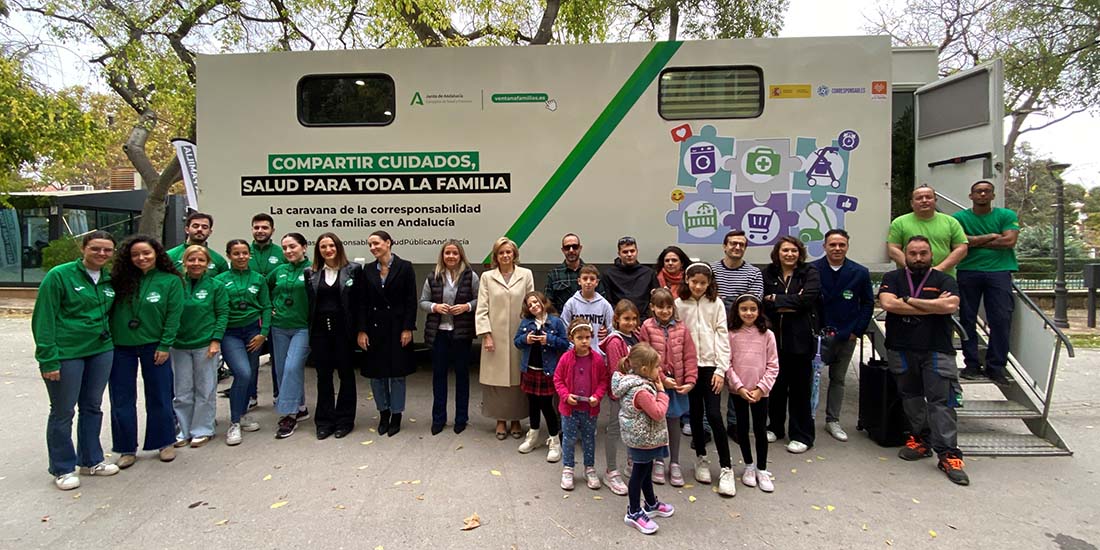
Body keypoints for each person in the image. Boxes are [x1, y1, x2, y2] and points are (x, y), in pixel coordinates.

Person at [32, 230, 121, 490]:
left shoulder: (109, 279)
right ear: (83, 248)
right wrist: (48, 359)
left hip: (101, 350)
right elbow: (43, 319)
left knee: (92, 406)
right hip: (67, 353)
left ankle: (91, 460)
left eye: (107, 250)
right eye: (95, 248)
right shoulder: (59, 276)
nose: (101, 254)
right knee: (63, 411)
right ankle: (62, 468)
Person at [878, 236, 969, 486]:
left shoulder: (944, 279)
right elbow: (888, 304)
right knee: (911, 397)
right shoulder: (892, 279)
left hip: (937, 350)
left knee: (941, 402)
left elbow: (949, 305)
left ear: (931, 255)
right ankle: (920, 440)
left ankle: (949, 454)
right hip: (901, 349)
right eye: (913, 253)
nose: (918, 258)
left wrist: (908, 300)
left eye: (923, 253)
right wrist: (931, 306)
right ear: (904, 255)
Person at [108, 235, 183, 468]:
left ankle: (165, 442)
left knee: (160, 396)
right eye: (135, 254)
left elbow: (173, 316)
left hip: (154, 346)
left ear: (157, 254)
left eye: (146, 253)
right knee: (121, 400)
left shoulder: (170, 281)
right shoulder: (117, 281)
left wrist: (165, 344)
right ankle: (126, 448)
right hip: (121, 347)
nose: (141, 258)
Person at [953, 180, 1020, 387]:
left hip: (999, 273)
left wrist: (975, 241)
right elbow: (960, 242)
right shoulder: (959, 218)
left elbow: (1009, 241)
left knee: (1000, 320)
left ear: (992, 196)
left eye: (986, 191)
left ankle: (996, 367)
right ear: (971, 196)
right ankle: (971, 364)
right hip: (967, 271)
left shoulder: (1006, 215)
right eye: (978, 191)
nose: (982, 194)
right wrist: (992, 236)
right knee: (967, 319)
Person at [676, 262, 735, 495]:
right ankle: (700, 458)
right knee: (695, 414)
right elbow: (677, 336)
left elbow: (722, 335)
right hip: (690, 367)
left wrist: (721, 369)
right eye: (694, 282)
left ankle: (726, 467)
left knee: (713, 414)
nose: (698, 286)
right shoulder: (679, 304)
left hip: (711, 367)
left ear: (709, 283)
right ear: (687, 281)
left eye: (703, 282)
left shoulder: (716, 303)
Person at [811, 229, 874, 442]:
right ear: (824, 246)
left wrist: (857, 331)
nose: (837, 249)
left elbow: (867, 303)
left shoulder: (860, 272)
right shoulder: (812, 269)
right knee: (810, 379)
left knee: (838, 379)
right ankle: (806, 418)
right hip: (817, 336)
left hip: (846, 335)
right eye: (832, 245)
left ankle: (833, 420)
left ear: (847, 246)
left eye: (841, 245)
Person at [762, 236, 820, 454]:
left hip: (801, 341)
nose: (789, 254)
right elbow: (762, 302)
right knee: (775, 387)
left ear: (800, 253)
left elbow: (808, 300)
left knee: (800, 391)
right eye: (785, 250)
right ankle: (775, 427)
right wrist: (790, 301)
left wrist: (776, 300)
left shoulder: (810, 273)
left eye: (794, 251)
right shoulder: (768, 273)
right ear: (778, 252)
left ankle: (801, 435)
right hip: (774, 340)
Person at [611, 343, 675, 535]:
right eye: (657, 367)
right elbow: (658, 412)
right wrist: (663, 392)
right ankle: (633, 511)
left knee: (646, 471)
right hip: (642, 440)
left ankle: (650, 503)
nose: (660, 370)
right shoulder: (641, 391)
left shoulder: (640, 383)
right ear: (645, 369)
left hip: (647, 438)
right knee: (638, 475)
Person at [307, 232, 366, 440]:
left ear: (338, 247)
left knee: (346, 376)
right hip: (320, 332)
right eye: (323, 247)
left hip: (344, 332)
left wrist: (360, 330)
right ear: (318, 251)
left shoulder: (353, 270)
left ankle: (344, 420)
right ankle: (324, 421)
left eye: (331, 246)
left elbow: (360, 303)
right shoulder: (311, 273)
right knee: (323, 377)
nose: (328, 250)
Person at [169, 245, 229, 449]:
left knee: (205, 388)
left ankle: (203, 429)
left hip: (205, 344)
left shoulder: (215, 286)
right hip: (179, 345)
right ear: (184, 262)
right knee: (182, 391)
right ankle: (183, 431)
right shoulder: (176, 284)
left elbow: (222, 314)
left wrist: (216, 340)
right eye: (191, 260)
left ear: (207, 264)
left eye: (201, 260)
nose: (196, 264)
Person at [475, 237, 534, 440]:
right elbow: (482, 309)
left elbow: (530, 306)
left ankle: (517, 419)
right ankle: (500, 419)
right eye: (501, 252)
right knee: (497, 381)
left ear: (514, 254)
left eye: (508, 252)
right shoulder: (487, 277)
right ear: (496, 256)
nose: (505, 255)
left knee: (518, 379)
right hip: (495, 337)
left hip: (520, 335)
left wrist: (530, 332)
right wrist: (486, 335)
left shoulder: (526, 274)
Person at [637, 288, 697, 488]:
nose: (664, 311)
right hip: (656, 384)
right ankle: (659, 461)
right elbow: (644, 356)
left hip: (677, 384)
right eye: (660, 307)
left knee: (674, 423)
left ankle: (676, 462)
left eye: (668, 306)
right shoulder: (647, 327)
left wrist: (690, 381)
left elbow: (689, 356)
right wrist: (660, 378)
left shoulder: (681, 328)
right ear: (652, 307)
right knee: (657, 424)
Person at [361, 230, 418, 437]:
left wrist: (407, 328)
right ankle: (383, 413)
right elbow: (362, 303)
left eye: (376, 243)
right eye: (370, 245)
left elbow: (411, 300)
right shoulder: (367, 270)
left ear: (388, 243)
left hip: (397, 329)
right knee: (377, 376)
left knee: (397, 375)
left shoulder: (405, 267)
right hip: (374, 329)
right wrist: (361, 331)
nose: (373, 248)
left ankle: (396, 415)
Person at [420, 240, 479, 436]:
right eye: (447, 253)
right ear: (442, 256)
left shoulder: (471, 276)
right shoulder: (433, 276)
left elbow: (481, 299)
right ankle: (438, 419)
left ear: (460, 255)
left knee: (462, 376)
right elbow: (423, 302)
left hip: (461, 333)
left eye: (455, 253)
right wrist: (435, 307)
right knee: (439, 376)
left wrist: (466, 307)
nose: (451, 256)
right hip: (439, 333)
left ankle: (461, 419)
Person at [215, 240, 269, 445]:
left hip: (253, 332)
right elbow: (218, 310)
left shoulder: (258, 279)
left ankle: (242, 413)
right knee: (242, 373)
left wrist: (263, 333)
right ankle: (234, 423)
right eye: (236, 253)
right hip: (231, 334)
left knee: (251, 374)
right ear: (229, 255)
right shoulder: (220, 281)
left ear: (249, 255)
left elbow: (266, 306)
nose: (241, 257)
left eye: (245, 253)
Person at [711, 229, 763, 439]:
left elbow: (752, 303)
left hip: (741, 333)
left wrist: (725, 303)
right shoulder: (711, 270)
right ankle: (708, 425)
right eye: (733, 243)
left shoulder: (754, 273)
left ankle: (734, 424)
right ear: (725, 246)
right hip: (714, 332)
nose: (737, 247)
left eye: (741, 244)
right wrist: (733, 302)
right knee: (712, 378)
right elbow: (708, 300)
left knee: (737, 379)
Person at [726, 294, 779, 493]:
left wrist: (761, 388)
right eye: (744, 309)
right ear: (737, 311)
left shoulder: (768, 335)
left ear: (759, 311)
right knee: (742, 428)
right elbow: (727, 363)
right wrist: (739, 387)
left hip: (760, 392)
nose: (748, 313)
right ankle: (748, 464)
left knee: (759, 429)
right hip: (738, 390)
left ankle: (762, 468)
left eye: (753, 309)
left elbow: (773, 365)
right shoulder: (731, 334)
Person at [554, 319, 609, 491]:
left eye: (587, 337)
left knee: (588, 439)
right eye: (580, 337)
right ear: (572, 338)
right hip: (569, 409)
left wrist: (597, 396)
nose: (584, 341)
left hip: (589, 409)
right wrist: (565, 396)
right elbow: (558, 379)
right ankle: (568, 468)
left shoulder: (597, 359)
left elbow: (603, 380)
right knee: (569, 439)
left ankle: (589, 468)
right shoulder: (565, 358)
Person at [513, 291, 569, 460]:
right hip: (530, 369)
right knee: (532, 404)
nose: (534, 306)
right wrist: (526, 339)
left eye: (536, 302)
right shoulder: (526, 322)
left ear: (544, 302)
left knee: (547, 406)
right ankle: (533, 435)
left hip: (547, 371)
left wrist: (549, 340)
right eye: (530, 305)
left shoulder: (556, 322)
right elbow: (516, 341)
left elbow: (565, 344)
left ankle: (554, 442)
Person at [268, 233, 312, 439]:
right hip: (278, 327)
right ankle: (300, 407)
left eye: (292, 246)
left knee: (292, 366)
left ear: (304, 247)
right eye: (284, 248)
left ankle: (289, 415)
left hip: (302, 327)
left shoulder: (313, 270)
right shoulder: (278, 271)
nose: (288, 251)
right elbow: (262, 289)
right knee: (281, 371)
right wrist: (268, 309)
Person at [600, 299, 640, 496]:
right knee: (615, 429)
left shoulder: (636, 337)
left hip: (634, 394)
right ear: (616, 319)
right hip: (620, 394)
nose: (630, 323)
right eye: (626, 319)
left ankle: (631, 463)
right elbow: (618, 370)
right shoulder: (615, 341)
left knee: (631, 429)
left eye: (634, 319)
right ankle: (611, 470)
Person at [887, 185, 968, 277]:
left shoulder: (951, 222)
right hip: (909, 278)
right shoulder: (899, 223)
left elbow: (961, 248)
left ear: (935, 201)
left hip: (943, 277)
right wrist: (912, 268)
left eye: (928, 197)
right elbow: (893, 249)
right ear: (912, 203)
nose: (924, 200)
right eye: (919, 198)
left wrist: (938, 269)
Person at [247, 213, 284, 408]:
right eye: (257, 227)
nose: (260, 231)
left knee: (277, 358)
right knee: (251, 357)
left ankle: (279, 395)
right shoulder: (244, 252)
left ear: (272, 230)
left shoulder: (281, 253)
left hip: (276, 313)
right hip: (252, 314)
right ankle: (250, 396)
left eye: (264, 228)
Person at [544, 233, 606, 313]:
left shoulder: (592, 273)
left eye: (575, 247)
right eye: (567, 247)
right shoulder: (554, 274)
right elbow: (548, 303)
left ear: (580, 248)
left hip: (590, 320)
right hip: (562, 322)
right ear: (563, 250)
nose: (571, 250)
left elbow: (601, 299)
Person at [561, 265, 615, 353]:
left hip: (598, 354)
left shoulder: (604, 305)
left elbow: (612, 330)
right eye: (585, 278)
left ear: (597, 282)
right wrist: (572, 348)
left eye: (592, 279)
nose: (588, 282)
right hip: (576, 353)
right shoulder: (571, 304)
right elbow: (564, 329)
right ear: (579, 281)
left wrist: (603, 347)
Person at [603, 236, 659, 318]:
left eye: (632, 251)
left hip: (644, 323)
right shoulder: (608, 274)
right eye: (625, 252)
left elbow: (655, 301)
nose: (629, 254)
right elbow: (608, 302)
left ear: (637, 251)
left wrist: (641, 321)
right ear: (619, 254)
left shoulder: (649, 273)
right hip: (618, 322)